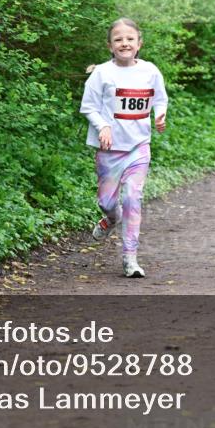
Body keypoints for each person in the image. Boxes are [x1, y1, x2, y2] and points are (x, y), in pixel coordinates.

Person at [80, 18, 168, 277]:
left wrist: (160, 114)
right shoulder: (102, 73)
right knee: (107, 201)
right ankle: (111, 217)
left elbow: (160, 99)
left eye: (130, 39)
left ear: (139, 43)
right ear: (110, 46)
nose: (124, 43)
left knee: (133, 198)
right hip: (109, 149)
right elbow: (88, 107)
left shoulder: (150, 71)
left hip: (139, 146)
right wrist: (103, 126)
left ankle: (130, 259)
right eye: (118, 39)